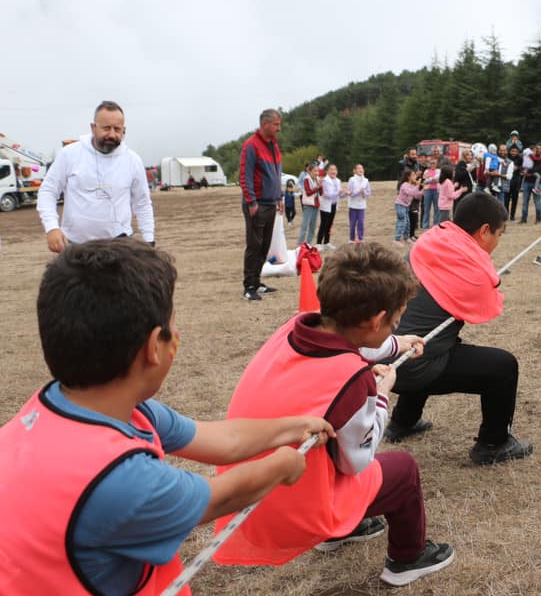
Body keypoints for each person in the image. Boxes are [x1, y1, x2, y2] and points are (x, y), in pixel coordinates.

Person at [0, 238, 335, 595]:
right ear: (152, 349)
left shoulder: (69, 407)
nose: (177, 335)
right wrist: (281, 466)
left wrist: (295, 426)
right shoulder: (121, 478)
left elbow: (223, 440)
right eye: (172, 327)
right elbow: (218, 497)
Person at [211, 243, 454, 587]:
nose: (396, 326)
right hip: (291, 510)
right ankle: (407, 558)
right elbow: (356, 461)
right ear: (376, 320)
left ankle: (349, 528)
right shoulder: (352, 381)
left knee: (332, 446)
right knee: (402, 470)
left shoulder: (297, 327)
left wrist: (399, 344)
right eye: (396, 320)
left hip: (251, 492)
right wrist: (381, 396)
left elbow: (360, 344)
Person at [384, 193, 533, 465]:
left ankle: (403, 422)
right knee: (503, 366)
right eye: (499, 234)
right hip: (411, 365)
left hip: (386, 358)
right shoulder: (467, 265)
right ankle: (493, 443)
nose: (498, 243)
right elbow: (488, 307)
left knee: (435, 343)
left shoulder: (432, 241)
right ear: (484, 230)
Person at [38, 100, 155, 253]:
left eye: (117, 129)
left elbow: (142, 203)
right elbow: (48, 191)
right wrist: (52, 228)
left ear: (123, 130)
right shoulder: (70, 154)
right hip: (75, 247)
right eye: (106, 128)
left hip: (120, 246)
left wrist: (149, 240)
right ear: (93, 128)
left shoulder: (133, 161)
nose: (112, 134)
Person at [239, 109, 284, 301]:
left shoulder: (274, 145)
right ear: (265, 124)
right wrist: (251, 201)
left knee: (264, 245)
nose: (278, 128)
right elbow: (245, 175)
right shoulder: (251, 146)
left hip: (271, 202)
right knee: (254, 244)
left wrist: (279, 196)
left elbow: (276, 173)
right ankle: (249, 286)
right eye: (276, 124)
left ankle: (257, 282)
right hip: (257, 204)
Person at [394, 168, 423, 245]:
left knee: (407, 223)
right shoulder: (404, 185)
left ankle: (406, 238)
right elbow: (411, 192)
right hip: (400, 205)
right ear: (408, 177)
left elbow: (416, 195)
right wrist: (418, 185)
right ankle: (396, 239)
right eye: (413, 175)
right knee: (402, 222)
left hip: (406, 206)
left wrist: (424, 190)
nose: (415, 176)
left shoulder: (412, 185)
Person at [520, 143, 541, 223]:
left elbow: (539, 168)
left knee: (537, 202)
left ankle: (538, 219)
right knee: (524, 202)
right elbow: (523, 164)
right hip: (527, 182)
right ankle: (523, 219)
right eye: (537, 148)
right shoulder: (529, 156)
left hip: (537, 183)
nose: (538, 150)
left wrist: (529, 172)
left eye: (540, 148)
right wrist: (524, 170)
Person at [297, 162, 321, 246]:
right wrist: (317, 188)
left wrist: (321, 186)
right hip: (308, 205)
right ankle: (299, 246)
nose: (317, 173)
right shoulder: (306, 179)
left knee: (312, 227)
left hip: (316, 205)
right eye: (315, 171)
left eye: (318, 171)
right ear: (309, 171)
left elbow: (321, 193)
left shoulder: (318, 179)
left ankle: (308, 245)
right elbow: (308, 192)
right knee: (305, 226)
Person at [347, 164, 371, 243]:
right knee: (352, 223)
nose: (361, 170)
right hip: (353, 206)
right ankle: (351, 239)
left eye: (362, 168)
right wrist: (358, 191)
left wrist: (364, 192)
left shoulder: (366, 180)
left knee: (361, 223)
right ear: (354, 170)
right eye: (359, 168)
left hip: (362, 206)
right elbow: (350, 193)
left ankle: (360, 239)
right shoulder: (352, 179)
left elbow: (368, 193)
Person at [421, 158, 440, 228]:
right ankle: (425, 225)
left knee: (437, 208)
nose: (432, 164)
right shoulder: (426, 171)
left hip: (436, 190)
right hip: (427, 190)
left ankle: (436, 224)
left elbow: (438, 179)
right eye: (431, 163)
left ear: (436, 164)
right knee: (426, 208)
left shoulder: (438, 171)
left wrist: (429, 178)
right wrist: (432, 179)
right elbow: (424, 181)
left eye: (434, 163)